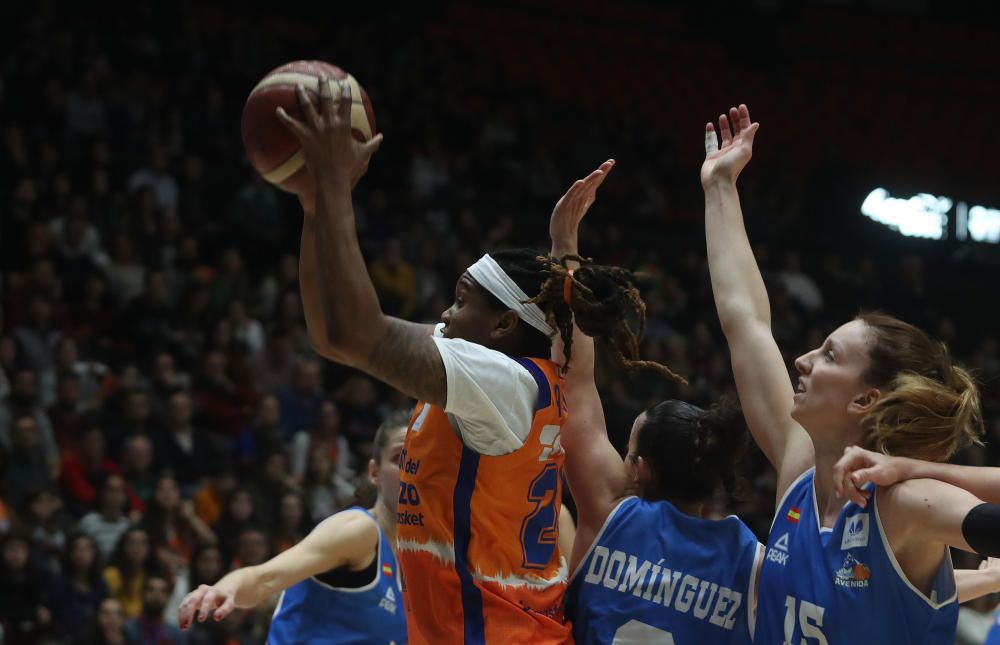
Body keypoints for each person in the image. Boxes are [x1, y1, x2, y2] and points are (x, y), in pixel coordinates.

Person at [275, 76, 669, 642]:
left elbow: (353, 333)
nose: (446, 313)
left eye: (462, 300)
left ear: (506, 325)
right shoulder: (529, 378)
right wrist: (314, 204)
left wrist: (334, 185)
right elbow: (334, 337)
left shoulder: (500, 382)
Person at [701, 103, 1000, 643]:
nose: (802, 360)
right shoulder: (799, 474)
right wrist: (721, 187)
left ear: (866, 400)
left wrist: (914, 470)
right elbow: (745, 321)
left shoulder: (907, 503)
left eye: (830, 355)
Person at [547, 167, 761, 644]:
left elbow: (575, 380)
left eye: (626, 452)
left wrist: (565, 246)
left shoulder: (610, 512)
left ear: (640, 470)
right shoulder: (754, 564)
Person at [178, 413, 409, 645]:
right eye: (399, 458)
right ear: (374, 472)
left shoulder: (419, 565)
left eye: (421, 459)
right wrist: (225, 589)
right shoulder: (359, 531)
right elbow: (264, 578)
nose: (412, 469)